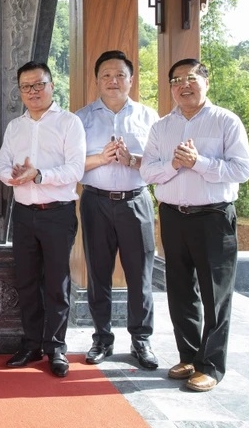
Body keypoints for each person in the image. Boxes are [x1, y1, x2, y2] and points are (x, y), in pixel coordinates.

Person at [141, 58, 249, 392]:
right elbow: (147, 172)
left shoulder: (226, 122)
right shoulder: (161, 127)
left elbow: (241, 170)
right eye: (176, 80)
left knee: (215, 294)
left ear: (206, 81)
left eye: (191, 78)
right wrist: (175, 165)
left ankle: (212, 366)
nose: (183, 85)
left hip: (213, 217)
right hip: (174, 216)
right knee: (180, 289)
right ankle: (188, 355)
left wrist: (198, 162)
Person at [0, 61, 85, 378]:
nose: (32, 92)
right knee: (27, 281)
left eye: (38, 85)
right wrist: (13, 177)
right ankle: (31, 344)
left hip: (57, 213)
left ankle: (56, 348)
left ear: (51, 85)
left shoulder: (69, 123)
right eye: (26, 87)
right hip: (23, 215)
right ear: (20, 91)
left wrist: (40, 175)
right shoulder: (15, 127)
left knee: (56, 283)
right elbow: (1, 164)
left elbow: (76, 169)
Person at [75, 50, 160, 370]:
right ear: (96, 80)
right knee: (98, 272)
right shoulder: (80, 119)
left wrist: (132, 160)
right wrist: (100, 158)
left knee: (140, 274)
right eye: (106, 75)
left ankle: (141, 339)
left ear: (131, 79)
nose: (113, 81)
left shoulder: (149, 117)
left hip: (135, 200)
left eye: (120, 75)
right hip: (95, 201)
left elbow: (160, 164)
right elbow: (70, 167)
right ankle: (101, 337)